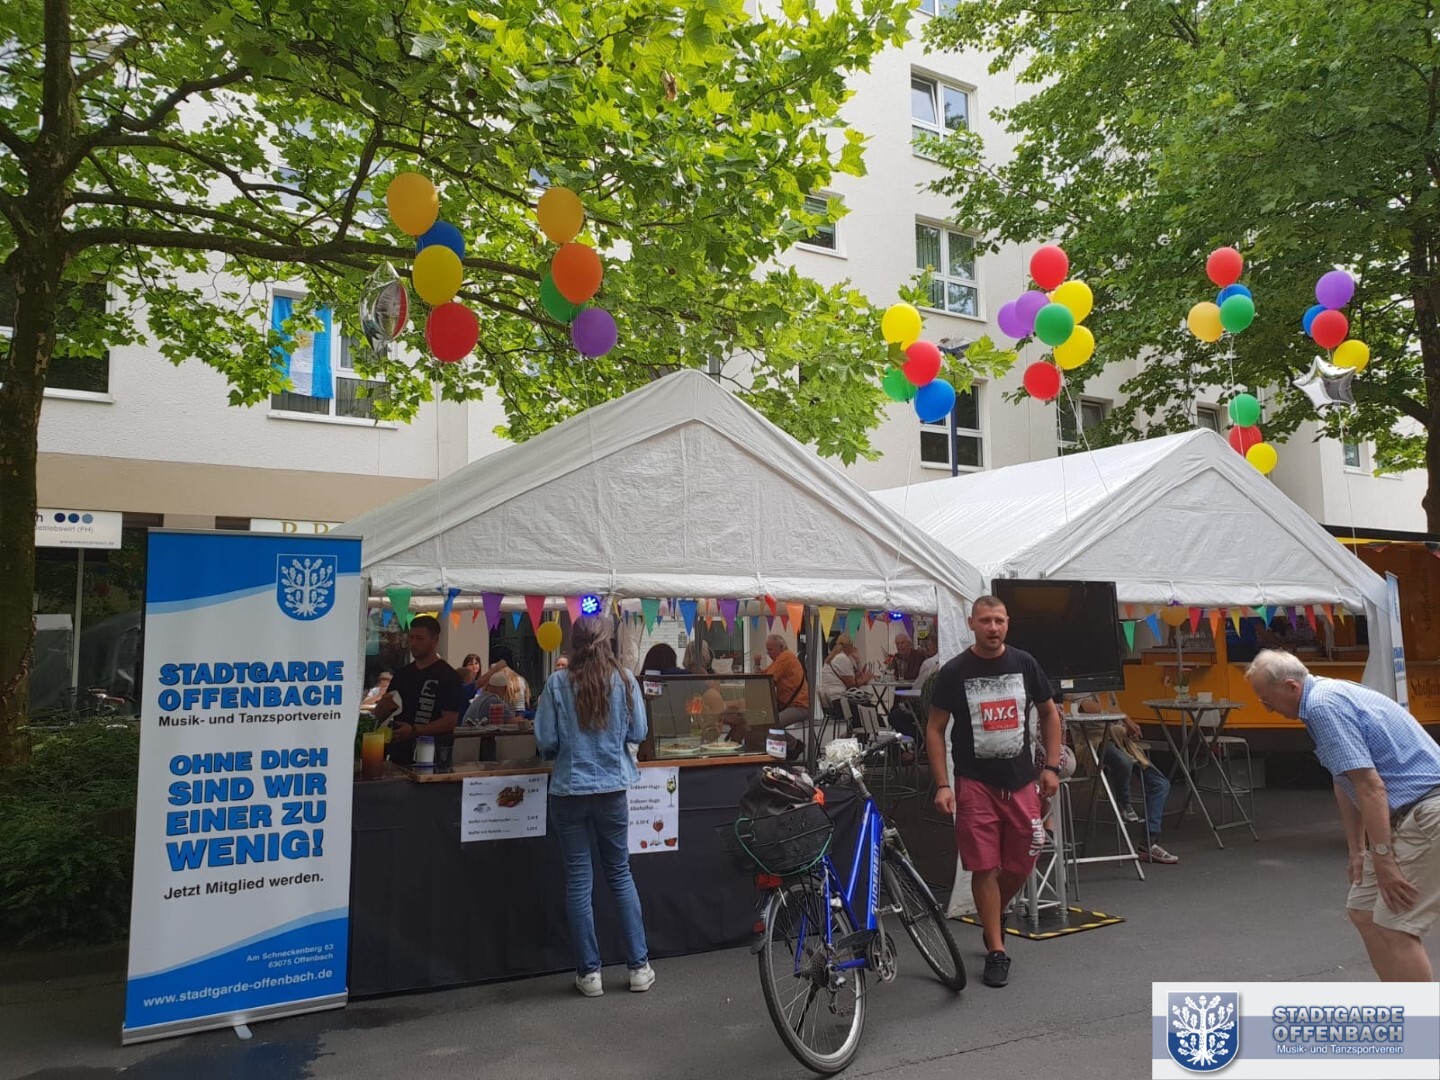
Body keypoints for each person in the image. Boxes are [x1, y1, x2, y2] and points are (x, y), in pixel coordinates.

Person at [1245, 649, 1440, 981]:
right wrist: (1357, 850)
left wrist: (1382, 857)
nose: (1267, 708)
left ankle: (1420, 1014)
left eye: (1267, 699)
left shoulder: (1322, 706)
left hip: (1426, 811)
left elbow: (1370, 787)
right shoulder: (1323, 698)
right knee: (1364, 911)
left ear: (1291, 686)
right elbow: (1345, 780)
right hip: (1410, 811)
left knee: (1395, 925)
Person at [926, 595, 1062, 989]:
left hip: (1020, 782)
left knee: (1023, 861)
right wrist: (943, 783)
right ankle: (996, 949)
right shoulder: (954, 672)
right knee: (984, 866)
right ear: (971, 623)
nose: (992, 628)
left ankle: (993, 913)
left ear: (1008, 623)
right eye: (985, 620)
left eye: (999, 620)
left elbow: (1049, 713)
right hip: (975, 785)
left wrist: (1051, 766)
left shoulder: (1025, 663)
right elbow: (935, 728)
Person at [534, 615, 655, 997]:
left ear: (572, 643)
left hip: (569, 790)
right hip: (612, 790)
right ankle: (638, 968)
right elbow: (639, 732)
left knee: (578, 881)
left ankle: (589, 975)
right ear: (608, 642)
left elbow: (546, 741)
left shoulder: (556, 683)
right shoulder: (625, 679)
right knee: (620, 874)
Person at [1069, 692, 1177, 864]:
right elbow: (1087, 707)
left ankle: (1149, 843)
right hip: (1094, 742)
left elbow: (1114, 714)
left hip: (1119, 740)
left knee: (1160, 784)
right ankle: (1124, 803)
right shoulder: (1081, 687)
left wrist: (1126, 726)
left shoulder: (1109, 691)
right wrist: (1125, 717)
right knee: (1123, 762)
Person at [371, 616, 465, 766]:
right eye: (411, 638)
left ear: (434, 640)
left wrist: (414, 730)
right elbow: (386, 709)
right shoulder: (402, 674)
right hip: (399, 754)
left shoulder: (448, 676)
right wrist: (381, 709)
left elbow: (449, 721)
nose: (414, 643)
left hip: (433, 757)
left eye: (420, 638)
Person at [817, 634, 873, 708]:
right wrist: (866, 679)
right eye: (852, 646)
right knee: (869, 705)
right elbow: (852, 686)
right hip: (839, 700)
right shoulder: (842, 658)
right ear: (849, 646)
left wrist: (857, 660)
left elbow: (849, 679)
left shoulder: (833, 657)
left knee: (867, 703)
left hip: (830, 701)